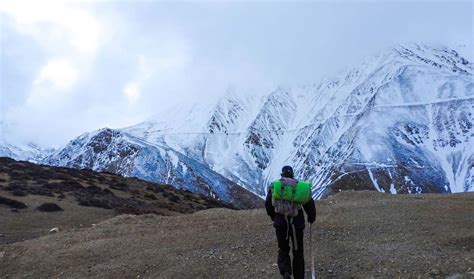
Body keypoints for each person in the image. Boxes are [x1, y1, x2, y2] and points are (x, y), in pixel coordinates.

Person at [265, 166, 316, 279]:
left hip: (280, 223)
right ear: (292, 174)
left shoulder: (276, 186)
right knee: (298, 251)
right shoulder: (299, 187)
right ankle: (299, 276)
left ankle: (286, 272)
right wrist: (311, 217)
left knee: (283, 249)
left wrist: (274, 217)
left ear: (282, 174)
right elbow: (309, 203)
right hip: (296, 223)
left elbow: (268, 203)